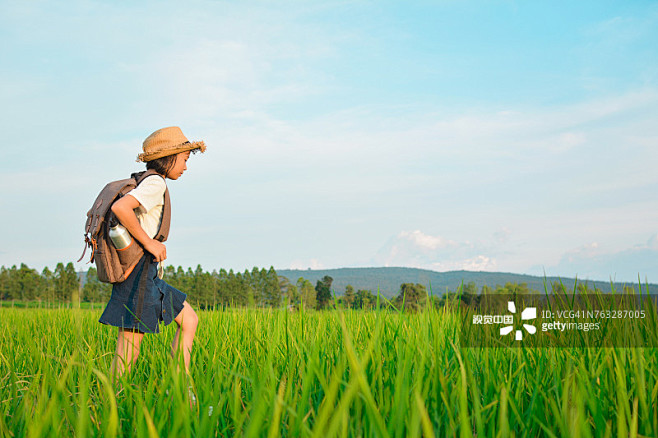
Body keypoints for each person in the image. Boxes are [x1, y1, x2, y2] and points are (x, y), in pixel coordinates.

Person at [98, 126, 206, 385]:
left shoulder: (147, 179)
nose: (186, 167)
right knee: (129, 348)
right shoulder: (155, 182)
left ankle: (180, 390)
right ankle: (108, 404)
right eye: (184, 160)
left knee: (189, 320)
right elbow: (121, 207)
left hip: (146, 273)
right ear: (170, 157)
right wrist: (150, 243)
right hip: (139, 274)